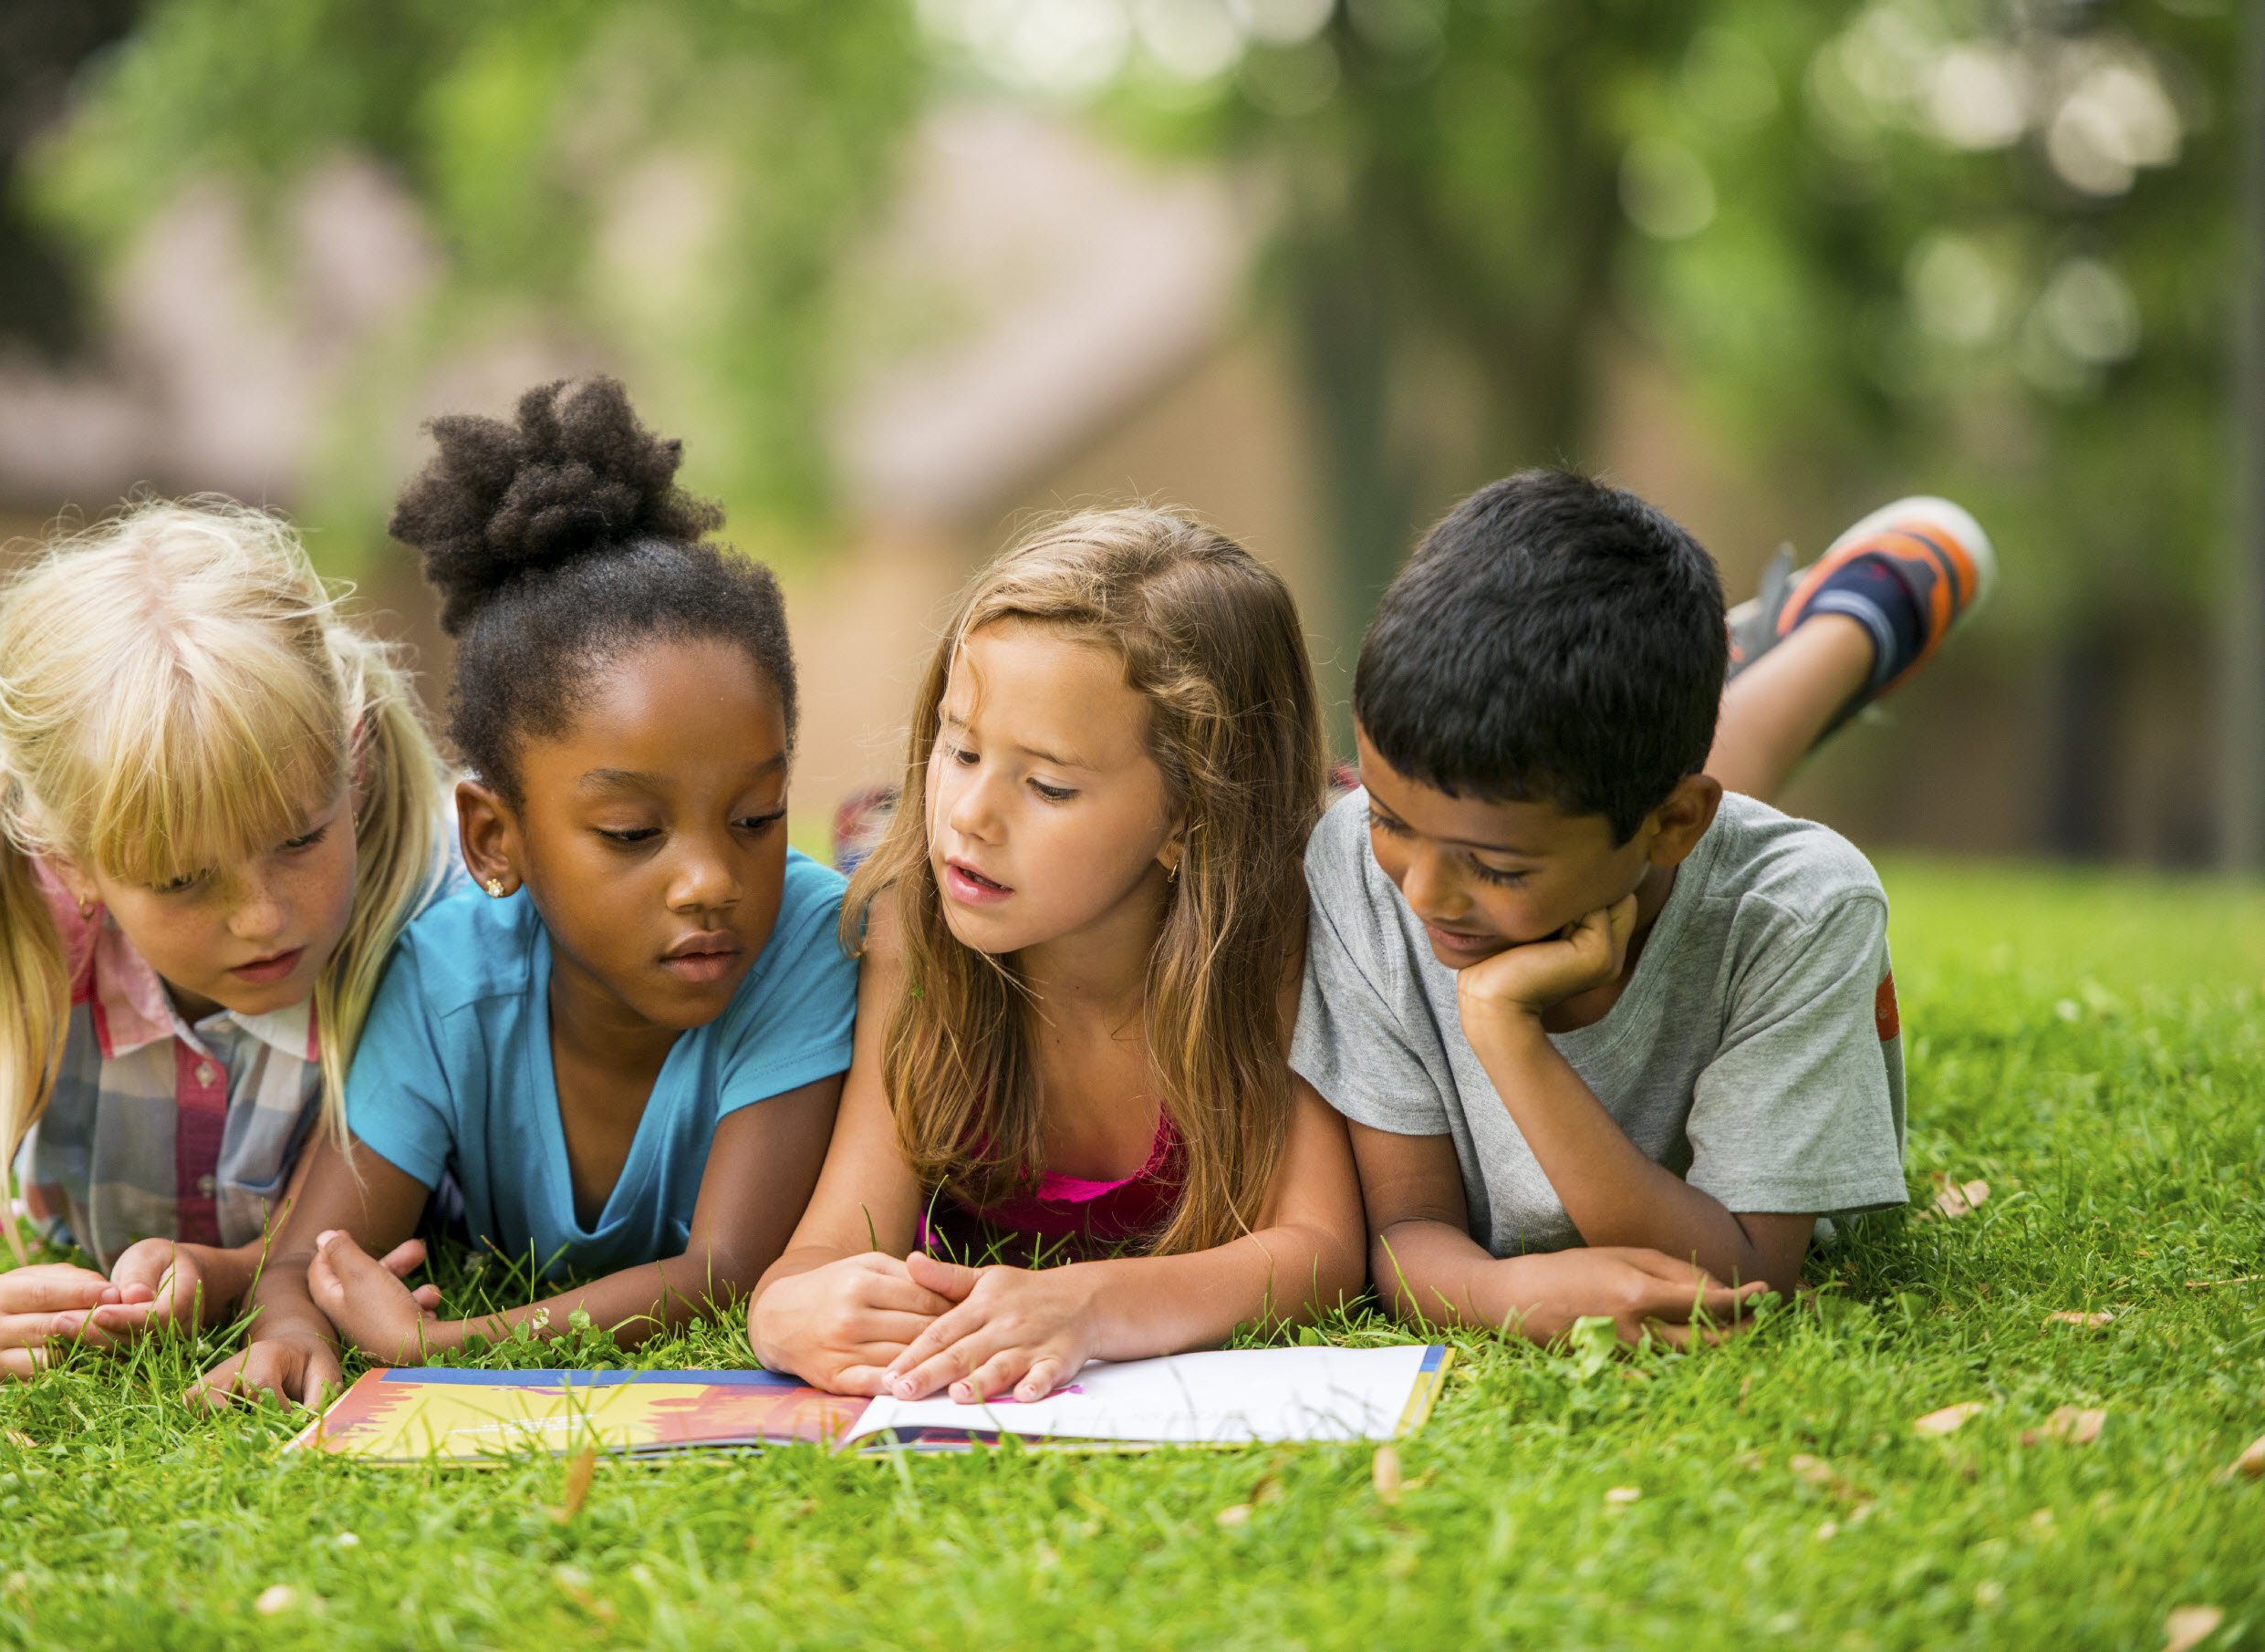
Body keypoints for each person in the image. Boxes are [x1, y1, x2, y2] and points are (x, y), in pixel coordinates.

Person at [202, 378, 857, 1408]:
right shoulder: (446, 976)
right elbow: (309, 1253)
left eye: (756, 816)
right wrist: (287, 1321)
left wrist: (452, 1339)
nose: (710, 880)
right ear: (494, 837)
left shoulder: (802, 942)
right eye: (632, 833)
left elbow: (729, 1268)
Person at [1297, 473, 1995, 1346]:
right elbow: (1404, 1233)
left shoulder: (1800, 911)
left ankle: (1851, 620)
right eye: (1388, 816)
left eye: (1495, 867)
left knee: (1717, 804)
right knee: (1652, 781)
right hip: (1610, 808)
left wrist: (1506, 1033)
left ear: (1674, 821)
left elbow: (1741, 1279)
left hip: (1682, 837)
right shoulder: (1359, 869)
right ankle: (1748, 659)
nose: (1423, 893)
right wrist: (1514, 1295)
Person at [0, 502, 454, 1380]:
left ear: (356, 764)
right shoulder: (33, 927)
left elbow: (337, 1244)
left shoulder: (421, 910)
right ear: (71, 860)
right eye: (183, 881)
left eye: (301, 839)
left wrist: (225, 1279)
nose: (265, 916)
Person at [746, 510, 1365, 1404]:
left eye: (1047, 784)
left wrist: (1090, 1304)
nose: (968, 815)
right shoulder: (917, 931)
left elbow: (1317, 1249)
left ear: (1190, 820)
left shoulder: (1270, 939)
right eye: (958, 749)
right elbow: (837, 1236)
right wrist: (786, 1309)